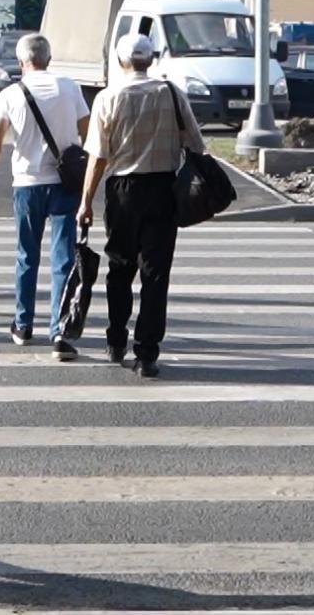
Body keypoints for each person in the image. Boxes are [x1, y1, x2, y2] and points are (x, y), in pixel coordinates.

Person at [76, 33, 204, 379]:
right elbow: (196, 142)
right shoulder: (172, 93)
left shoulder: (108, 98)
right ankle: (147, 353)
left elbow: (98, 157)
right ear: (152, 59)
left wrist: (86, 202)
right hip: (163, 189)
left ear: (120, 61)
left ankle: (116, 340)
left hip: (122, 190)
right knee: (155, 274)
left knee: (119, 268)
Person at [0, 33, 90, 359]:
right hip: (65, 183)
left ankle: (23, 325)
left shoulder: (11, 94)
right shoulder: (70, 87)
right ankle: (59, 332)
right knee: (63, 259)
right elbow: (86, 133)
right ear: (49, 58)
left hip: (26, 184)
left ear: (23, 60)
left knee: (27, 256)